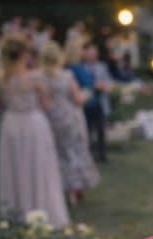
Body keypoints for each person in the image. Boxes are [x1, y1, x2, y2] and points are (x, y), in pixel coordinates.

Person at [0, 35, 69, 227]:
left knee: (16, 167)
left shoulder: (1, 78)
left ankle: (17, 211)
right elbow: (45, 104)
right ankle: (40, 209)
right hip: (32, 123)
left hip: (11, 124)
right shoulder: (34, 77)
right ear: (23, 54)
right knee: (37, 166)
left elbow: (0, 101)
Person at [39, 41, 99, 206]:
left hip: (50, 119)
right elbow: (77, 98)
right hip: (69, 118)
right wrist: (88, 93)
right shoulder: (66, 76)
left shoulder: (39, 78)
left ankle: (64, 190)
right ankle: (76, 189)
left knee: (59, 155)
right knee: (75, 152)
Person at [72, 42, 113, 164]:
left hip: (98, 102)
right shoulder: (78, 68)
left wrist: (107, 86)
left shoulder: (102, 66)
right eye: (90, 52)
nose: (93, 55)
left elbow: (108, 80)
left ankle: (102, 154)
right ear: (85, 54)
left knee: (101, 129)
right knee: (86, 129)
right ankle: (87, 154)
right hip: (85, 103)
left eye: (95, 53)